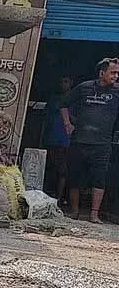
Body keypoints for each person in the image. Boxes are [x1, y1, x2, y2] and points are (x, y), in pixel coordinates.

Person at [60, 58, 119, 223]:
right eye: (113, 72)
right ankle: (74, 211)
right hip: (80, 141)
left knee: (99, 179)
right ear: (102, 73)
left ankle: (94, 214)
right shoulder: (84, 87)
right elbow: (64, 104)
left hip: (102, 144)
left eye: (117, 73)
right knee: (75, 177)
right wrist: (67, 124)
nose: (116, 76)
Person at [43, 75, 73, 202]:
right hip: (51, 138)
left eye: (66, 82)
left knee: (63, 170)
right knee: (51, 168)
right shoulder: (53, 99)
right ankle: (50, 195)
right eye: (61, 82)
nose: (63, 85)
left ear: (71, 82)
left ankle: (60, 198)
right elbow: (46, 119)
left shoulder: (75, 100)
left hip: (66, 140)